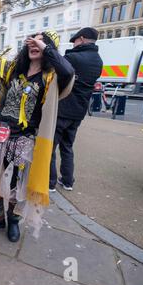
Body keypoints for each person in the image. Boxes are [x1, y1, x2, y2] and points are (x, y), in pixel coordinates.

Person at [0, 16, 75, 242]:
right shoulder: (12, 69)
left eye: (41, 43)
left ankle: (13, 221)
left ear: (49, 50)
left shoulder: (51, 78)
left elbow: (69, 72)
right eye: (32, 41)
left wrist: (45, 46)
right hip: (0, 135)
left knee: (16, 183)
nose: (34, 45)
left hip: (25, 139)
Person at [49, 27, 103, 192]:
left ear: (81, 39)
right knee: (67, 146)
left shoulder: (73, 57)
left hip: (63, 108)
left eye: (75, 41)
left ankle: (49, 182)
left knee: (51, 147)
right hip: (79, 111)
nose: (73, 45)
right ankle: (67, 181)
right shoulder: (98, 60)